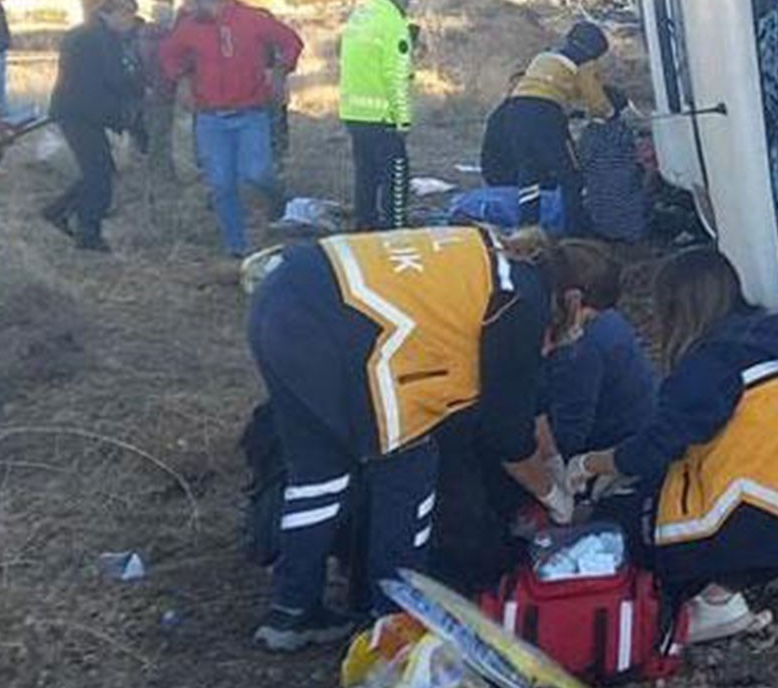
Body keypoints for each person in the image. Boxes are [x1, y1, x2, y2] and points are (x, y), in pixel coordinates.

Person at [242, 226, 621, 651]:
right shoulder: (522, 301)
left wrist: (551, 457)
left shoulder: (504, 259)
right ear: (573, 300)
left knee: (319, 472)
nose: (580, 332)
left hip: (282, 295)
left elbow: (524, 399)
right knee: (409, 468)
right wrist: (554, 494)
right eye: (586, 321)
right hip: (335, 330)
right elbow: (506, 434)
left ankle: (292, 612)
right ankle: (393, 619)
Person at [569, 247, 778, 644]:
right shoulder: (777, 344)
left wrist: (590, 465)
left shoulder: (711, 365)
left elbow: (658, 448)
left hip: (763, 513)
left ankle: (718, 597)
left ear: (678, 307)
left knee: (630, 521)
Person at [159, 0, 302, 257]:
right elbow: (169, 54)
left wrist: (279, 72)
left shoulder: (251, 19)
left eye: (189, 2)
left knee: (256, 173)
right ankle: (236, 247)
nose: (185, 9)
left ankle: (278, 199)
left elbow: (291, 42)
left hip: (251, 113)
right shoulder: (189, 26)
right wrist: (184, 80)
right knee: (221, 184)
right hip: (211, 117)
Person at [480, 21, 617, 234]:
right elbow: (596, 102)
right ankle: (575, 232)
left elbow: (546, 86)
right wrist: (611, 113)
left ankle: (528, 228)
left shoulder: (543, 57)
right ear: (596, 49)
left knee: (529, 171)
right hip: (545, 113)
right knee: (570, 175)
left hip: (515, 111)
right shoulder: (585, 63)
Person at [43, 0, 145, 252]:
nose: (130, 22)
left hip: (75, 110)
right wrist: (138, 87)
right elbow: (111, 78)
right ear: (114, 13)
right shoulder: (101, 39)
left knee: (98, 171)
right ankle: (88, 233)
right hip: (82, 113)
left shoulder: (86, 33)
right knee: (100, 174)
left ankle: (60, 211)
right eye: (128, 15)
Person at [542, 242, 655, 458]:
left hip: (612, 453)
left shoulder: (579, 349)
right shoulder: (607, 318)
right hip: (636, 432)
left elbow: (566, 438)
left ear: (572, 301)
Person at [339, 0, 421, 230]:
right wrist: (403, 120)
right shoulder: (393, 23)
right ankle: (395, 229)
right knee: (396, 174)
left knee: (365, 175)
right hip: (382, 115)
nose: (408, 5)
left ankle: (365, 226)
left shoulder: (360, 15)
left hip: (354, 112)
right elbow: (395, 77)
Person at [134, 0, 179, 179]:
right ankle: (160, 173)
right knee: (161, 135)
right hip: (161, 92)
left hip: (148, 92)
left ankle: (153, 170)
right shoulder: (165, 39)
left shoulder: (142, 37)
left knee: (153, 132)